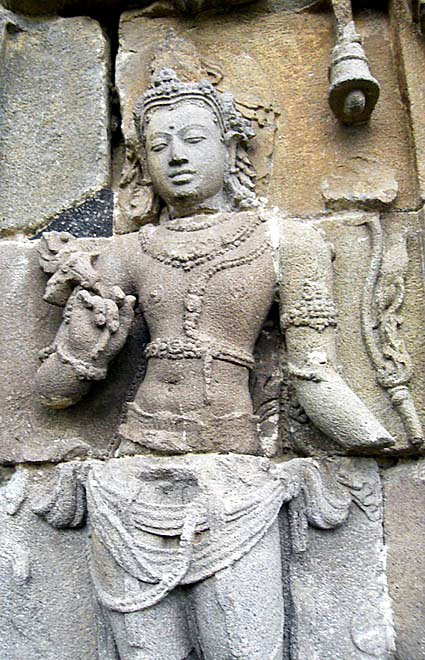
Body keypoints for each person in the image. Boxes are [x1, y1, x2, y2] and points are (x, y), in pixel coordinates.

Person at [35, 68, 393, 660]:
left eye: (194, 139)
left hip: (236, 479)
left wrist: (376, 437)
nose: (176, 156)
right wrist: (86, 346)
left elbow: (315, 373)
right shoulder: (125, 251)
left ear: (232, 148)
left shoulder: (286, 242)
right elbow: (53, 392)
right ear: (142, 164)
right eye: (158, 145)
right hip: (131, 474)